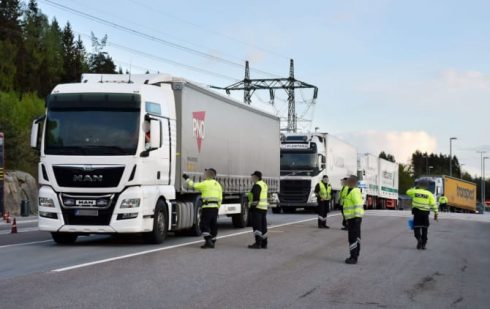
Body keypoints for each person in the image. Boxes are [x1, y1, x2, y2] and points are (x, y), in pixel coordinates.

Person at [183, 168, 223, 249]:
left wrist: (186, 178)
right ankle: (212, 241)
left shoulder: (206, 183)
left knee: (204, 225)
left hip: (207, 208)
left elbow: (193, 185)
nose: (204, 175)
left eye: (205, 174)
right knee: (213, 225)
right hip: (215, 208)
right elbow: (220, 198)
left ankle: (208, 241)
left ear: (208, 175)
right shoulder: (218, 185)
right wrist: (217, 207)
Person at [406, 182, 438, 250]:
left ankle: (419, 239)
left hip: (417, 213)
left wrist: (414, 188)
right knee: (425, 229)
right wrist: (436, 213)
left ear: (419, 186)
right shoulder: (429, 194)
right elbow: (433, 204)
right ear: (426, 187)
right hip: (425, 214)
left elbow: (407, 192)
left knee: (416, 228)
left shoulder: (415, 192)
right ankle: (423, 244)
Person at [343, 175, 365, 264]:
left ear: (353, 182)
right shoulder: (350, 190)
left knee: (352, 238)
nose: (347, 181)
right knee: (356, 237)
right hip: (352, 218)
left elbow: (358, 205)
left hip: (354, 218)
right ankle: (355, 254)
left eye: (349, 180)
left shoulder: (354, 191)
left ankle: (353, 257)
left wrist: (357, 217)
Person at [247, 171, 269, 249]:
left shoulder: (257, 185)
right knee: (263, 226)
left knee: (257, 226)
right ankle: (264, 243)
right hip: (263, 208)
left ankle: (258, 243)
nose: (251, 178)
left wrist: (251, 208)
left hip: (257, 208)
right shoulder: (264, 184)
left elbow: (256, 198)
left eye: (252, 177)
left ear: (256, 177)